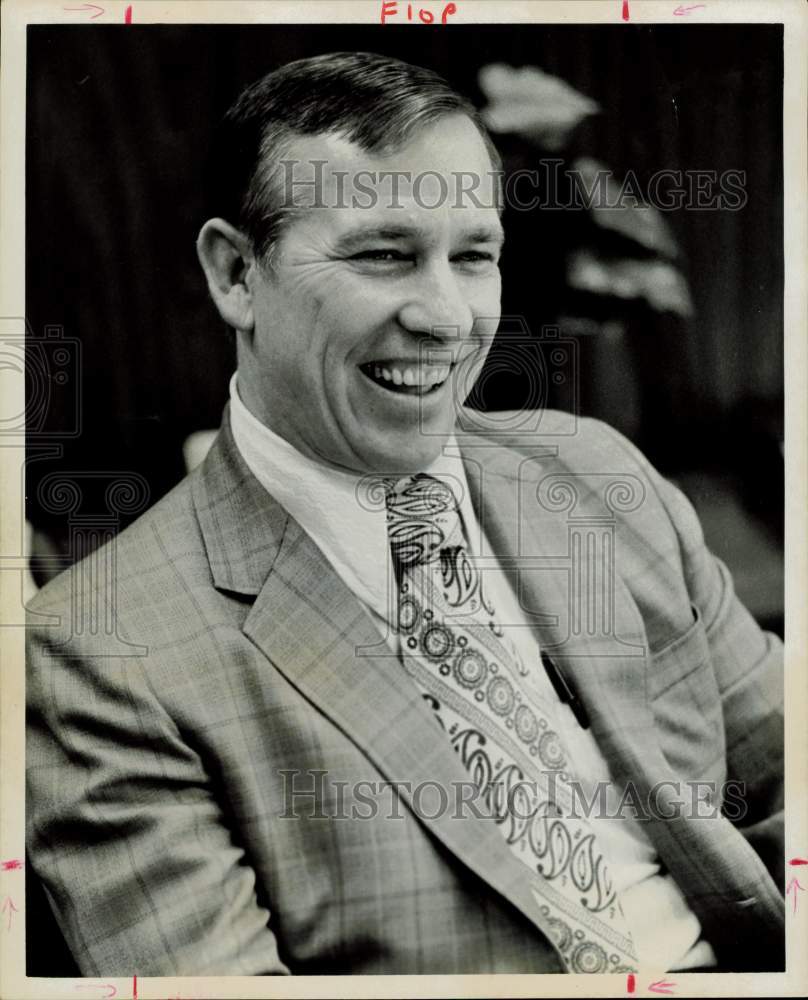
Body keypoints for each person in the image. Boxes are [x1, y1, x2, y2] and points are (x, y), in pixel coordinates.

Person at [25, 51, 784, 977]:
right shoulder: (99, 652)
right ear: (235, 275)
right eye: (383, 255)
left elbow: (785, 766)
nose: (445, 316)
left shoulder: (592, 471)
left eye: (473, 257)